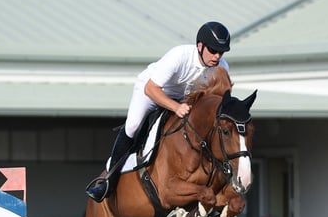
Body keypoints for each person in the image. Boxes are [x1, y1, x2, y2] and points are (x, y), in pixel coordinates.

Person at [85, 21, 232, 202]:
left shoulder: (221, 68)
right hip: (151, 90)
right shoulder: (180, 56)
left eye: (221, 52)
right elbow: (151, 88)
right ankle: (108, 181)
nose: (217, 56)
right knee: (133, 125)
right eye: (213, 50)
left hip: (183, 99)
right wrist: (176, 107)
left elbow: (220, 101)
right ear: (200, 46)